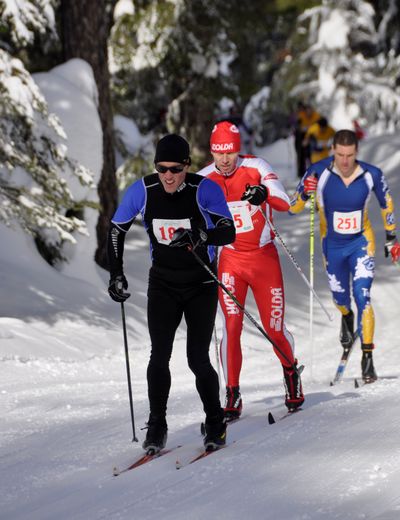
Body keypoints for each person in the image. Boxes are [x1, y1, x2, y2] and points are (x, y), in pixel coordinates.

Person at [107, 134, 236, 453]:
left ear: (187, 167)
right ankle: (157, 424)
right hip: (163, 283)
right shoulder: (144, 190)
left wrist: (200, 235)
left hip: (200, 284)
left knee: (197, 358)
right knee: (158, 354)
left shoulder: (203, 189)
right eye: (162, 168)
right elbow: (116, 230)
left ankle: (215, 420)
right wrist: (116, 273)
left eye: (175, 169)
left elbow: (228, 230)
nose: (168, 175)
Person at [197, 121, 304, 420]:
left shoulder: (256, 166)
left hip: (263, 260)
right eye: (219, 152)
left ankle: (291, 372)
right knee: (230, 327)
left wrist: (263, 194)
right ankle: (231, 392)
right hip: (230, 260)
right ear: (212, 151)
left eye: (229, 151)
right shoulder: (204, 178)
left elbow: (285, 202)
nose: (225, 159)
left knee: (274, 329)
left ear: (237, 149)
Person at [289, 129, 400, 383]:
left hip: (362, 243)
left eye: (350, 155)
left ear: (356, 153)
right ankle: (346, 316)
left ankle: (367, 358)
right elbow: (293, 208)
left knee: (364, 296)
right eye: (340, 155)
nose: (345, 161)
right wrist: (305, 193)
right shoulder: (318, 172)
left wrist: (391, 237)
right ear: (333, 152)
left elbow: (387, 204)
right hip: (333, 247)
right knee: (341, 298)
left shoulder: (371, 174)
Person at [294, 103, 321, 178]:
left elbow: (319, 125)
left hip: (312, 137)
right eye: (307, 110)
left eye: (310, 110)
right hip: (301, 137)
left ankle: (313, 171)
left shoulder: (316, 116)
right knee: (301, 155)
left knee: (311, 155)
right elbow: (297, 125)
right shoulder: (302, 116)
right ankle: (301, 173)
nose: (308, 112)